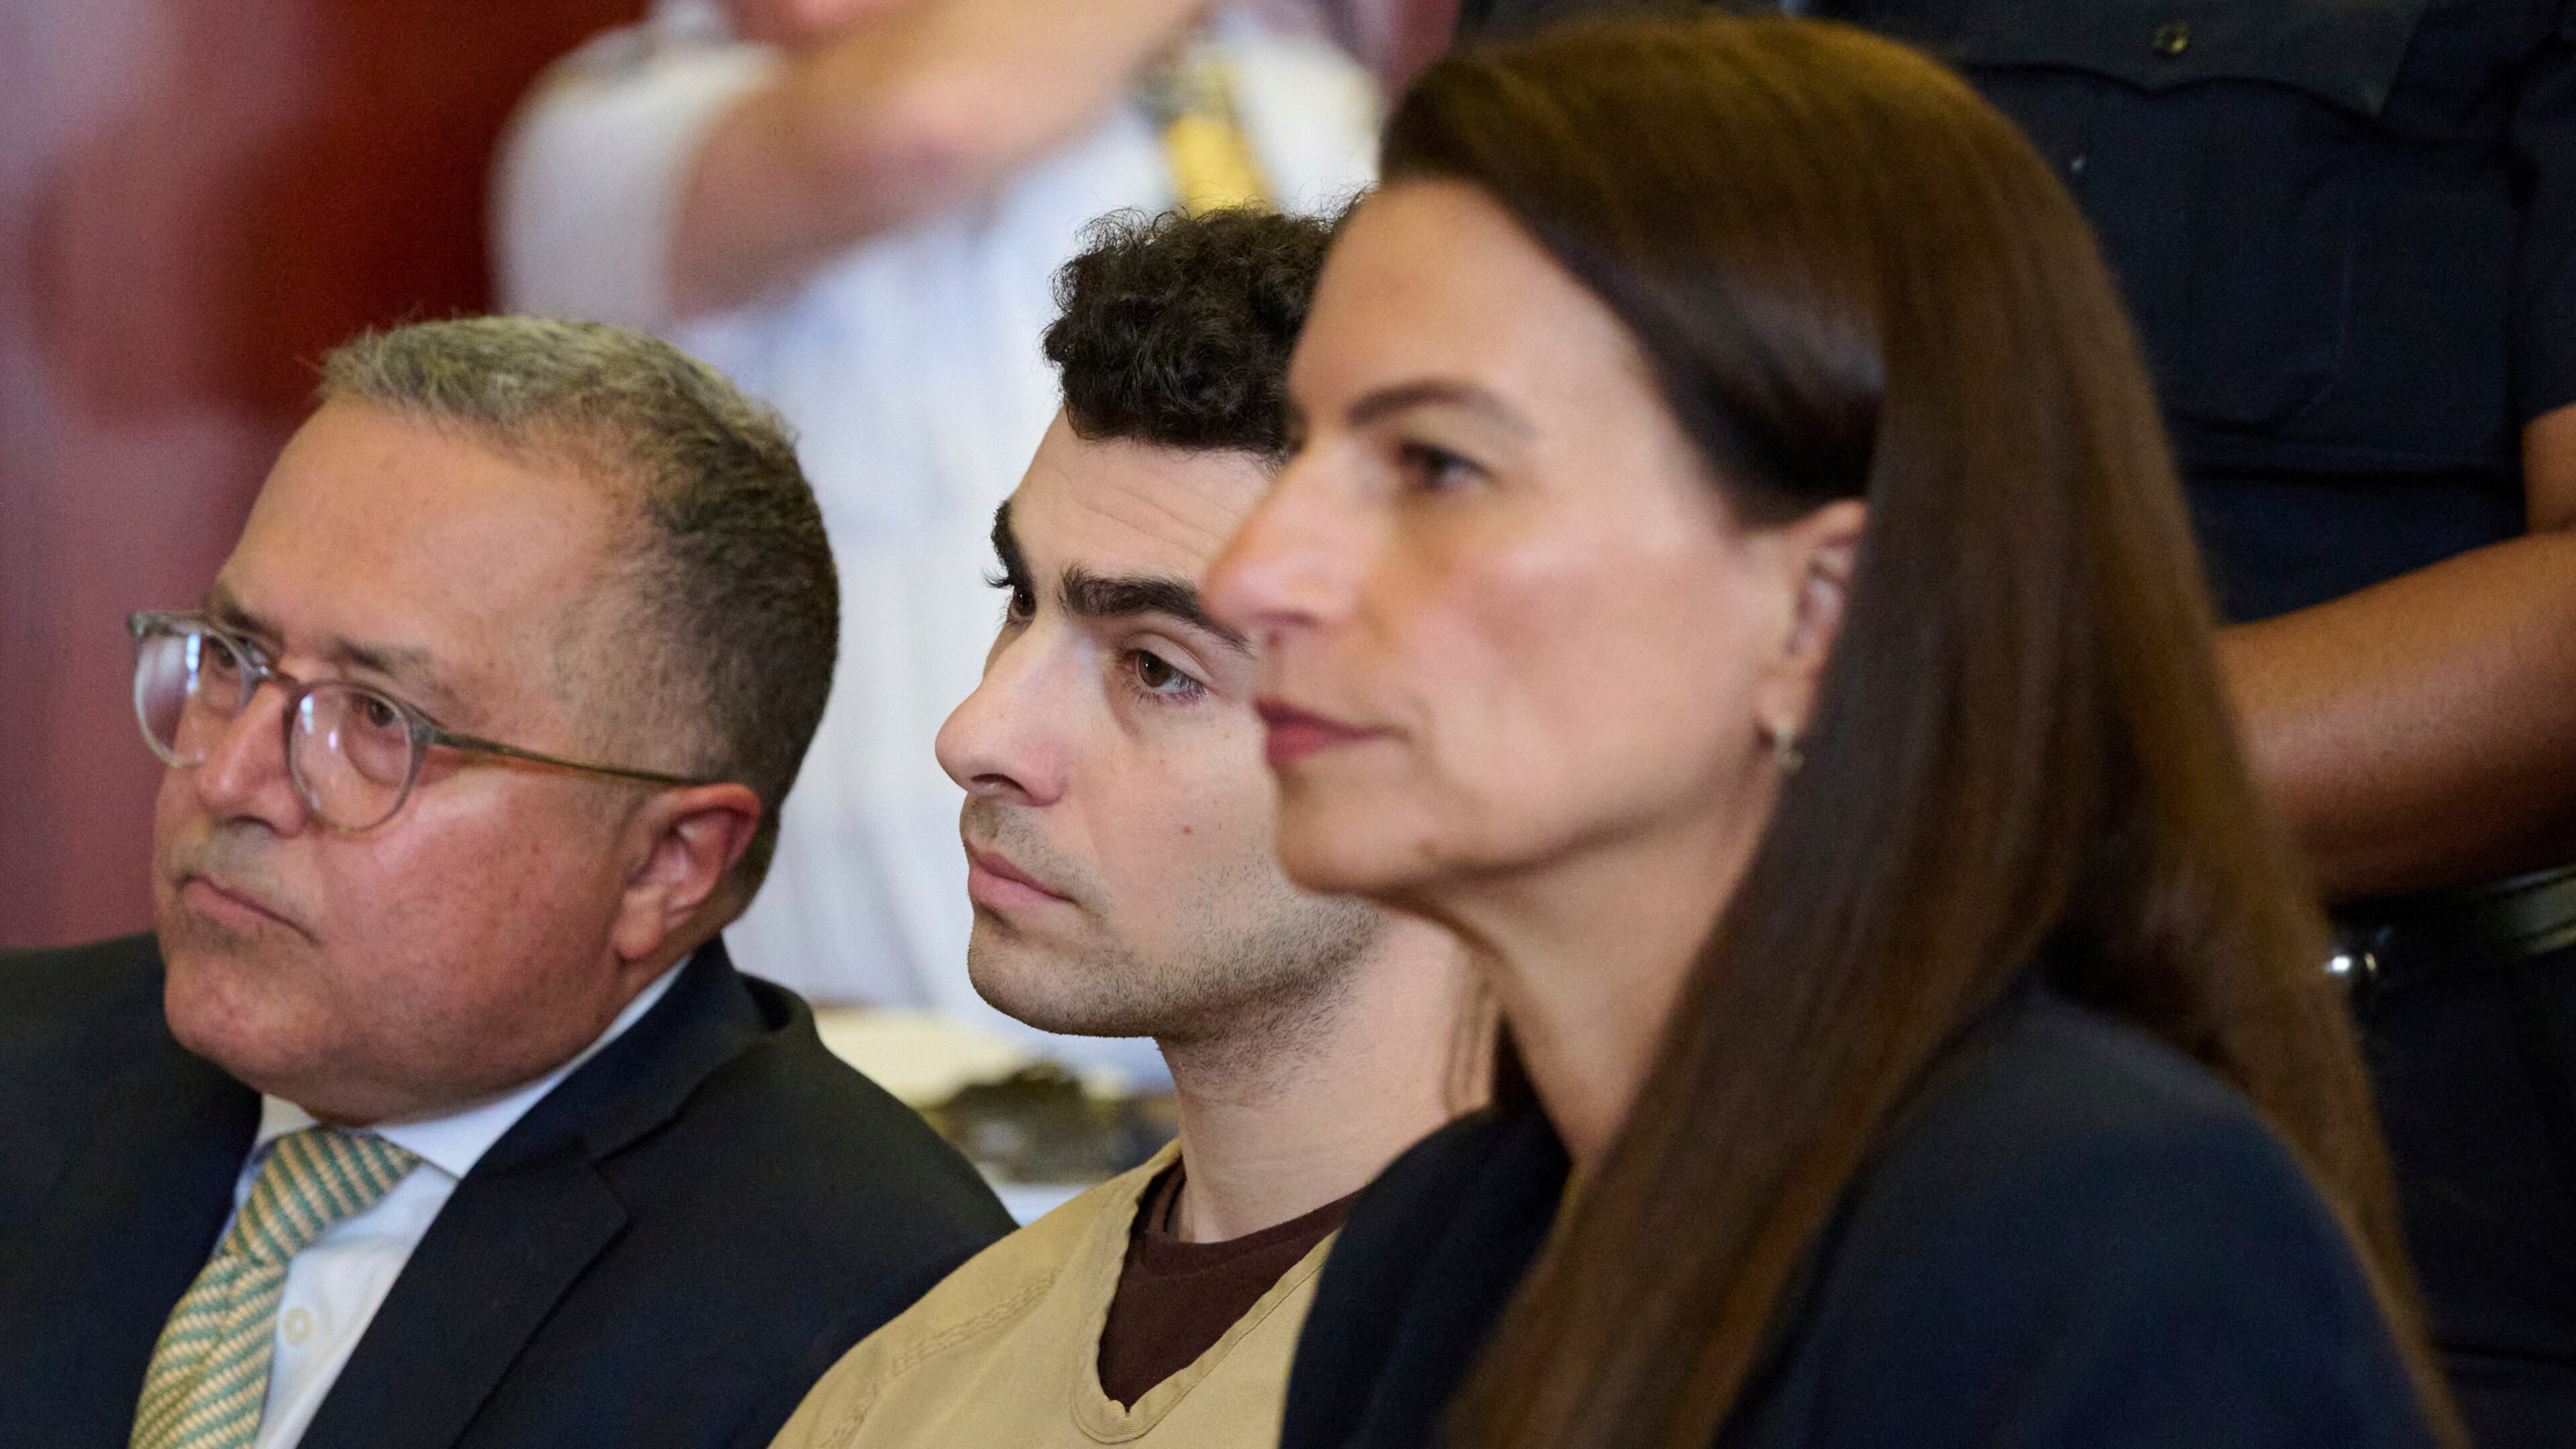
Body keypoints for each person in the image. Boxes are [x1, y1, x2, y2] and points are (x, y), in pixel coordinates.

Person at [1203, 18, 2463, 1448]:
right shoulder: (1431, 1258)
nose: (1255, 571)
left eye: (1435, 464)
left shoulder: (2102, 1244)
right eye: (1304, 449)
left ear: (1818, 614)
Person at [0, 317, 1013, 1449]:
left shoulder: (877, 1325)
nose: (233, 776)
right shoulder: (23, 1065)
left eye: (379, 720)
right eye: (234, 660)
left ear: (666, 866)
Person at [492, 0, 1385, 1083]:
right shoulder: (625, 115)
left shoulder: (1290, 95)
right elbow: (925, 121)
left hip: (1260, 1072)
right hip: (849, 1083)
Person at [765, 205, 1482, 1449]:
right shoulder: (905, 1391)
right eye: (1018, 599)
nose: (975, 734)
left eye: (1157, 667)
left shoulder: (1650, 1368)